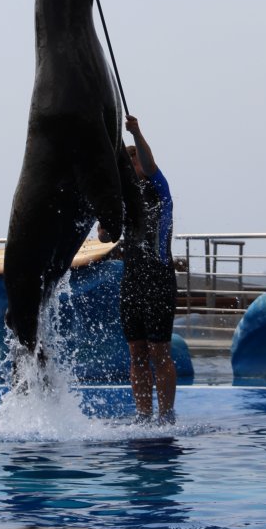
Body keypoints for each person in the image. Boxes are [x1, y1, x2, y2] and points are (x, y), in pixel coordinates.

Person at [101, 114, 178, 424]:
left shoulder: (159, 190)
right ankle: (144, 415)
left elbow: (148, 164)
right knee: (136, 351)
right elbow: (106, 236)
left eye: (132, 167)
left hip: (158, 277)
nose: (131, 173)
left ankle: (167, 414)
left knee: (159, 352)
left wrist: (135, 134)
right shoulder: (124, 201)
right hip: (132, 279)